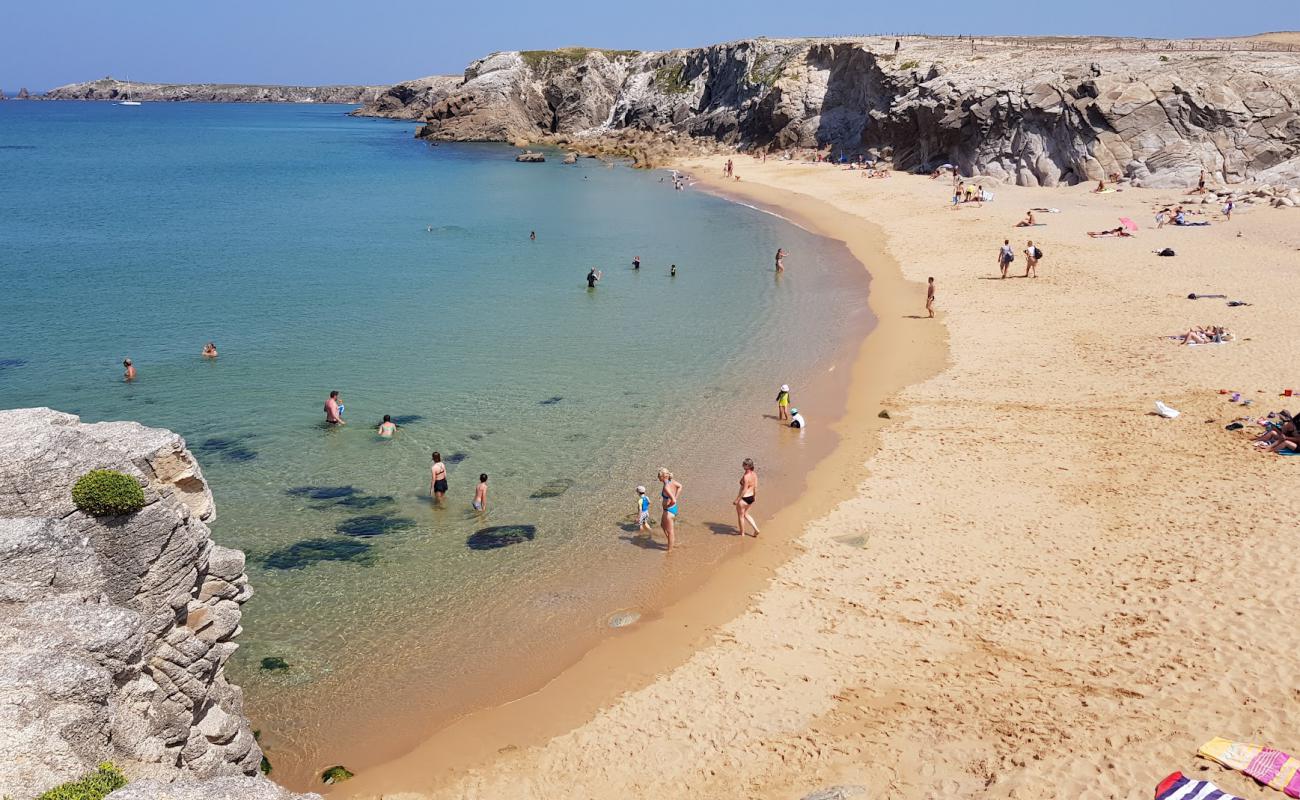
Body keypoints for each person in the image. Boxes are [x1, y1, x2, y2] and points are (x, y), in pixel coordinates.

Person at [657, 468, 682, 552]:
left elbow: (673, 500)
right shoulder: (672, 482)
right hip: (671, 509)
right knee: (662, 525)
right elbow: (680, 486)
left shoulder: (666, 487)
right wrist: (675, 497)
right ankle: (671, 542)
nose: (658, 478)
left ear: (663, 477)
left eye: (659, 476)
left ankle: (669, 550)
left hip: (669, 511)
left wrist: (670, 504)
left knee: (670, 531)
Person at [734, 458, 760, 537]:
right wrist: (754, 497)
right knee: (746, 514)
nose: (742, 465)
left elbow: (744, 489)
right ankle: (756, 529)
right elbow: (755, 487)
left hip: (744, 498)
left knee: (741, 516)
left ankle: (742, 533)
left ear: (747, 466)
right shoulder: (754, 474)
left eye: (744, 464)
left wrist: (737, 500)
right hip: (751, 497)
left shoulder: (746, 477)